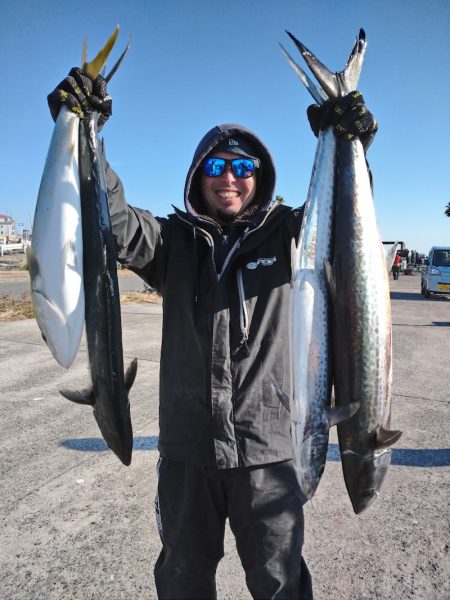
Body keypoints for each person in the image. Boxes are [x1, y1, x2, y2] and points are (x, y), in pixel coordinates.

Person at [47, 68, 377, 600]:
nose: (230, 177)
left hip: (269, 454)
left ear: (259, 175)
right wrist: (81, 130)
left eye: (243, 166)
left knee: (280, 585)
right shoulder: (172, 243)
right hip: (187, 456)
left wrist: (353, 145)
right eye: (218, 165)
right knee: (181, 582)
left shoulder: (294, 235)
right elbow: (109, 218)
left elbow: (348, 224)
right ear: (199, 174)